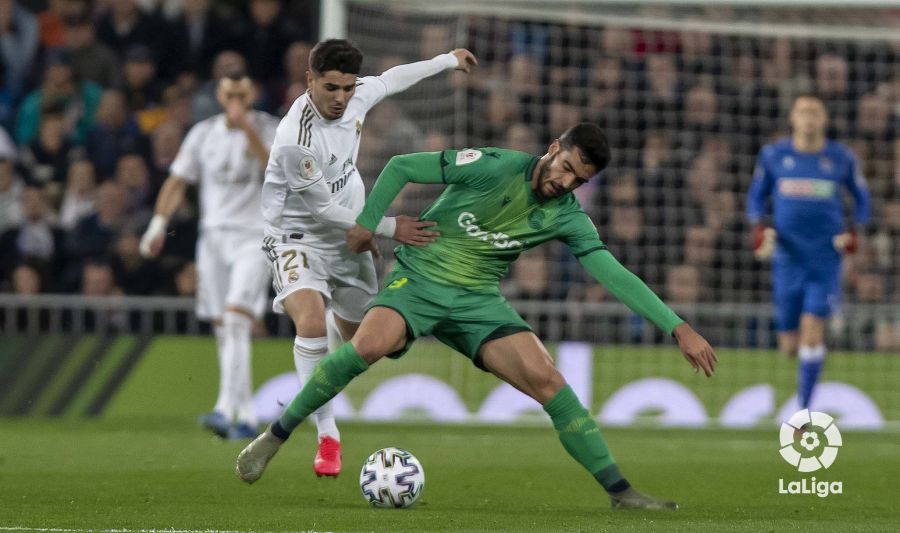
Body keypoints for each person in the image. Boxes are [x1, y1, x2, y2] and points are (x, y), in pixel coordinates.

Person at [238, 123, 718, 510]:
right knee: (366, 346)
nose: (565, 183)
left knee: (548, 380)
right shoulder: (493, 165)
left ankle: (621, 492)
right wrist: (369, 225)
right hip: (420, 281)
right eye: (566, 168)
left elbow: (613, 274)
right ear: (553, 149)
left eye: (579, 181)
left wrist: (678, 327)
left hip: (478, 303)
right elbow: (402, 165)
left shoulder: (568, 215)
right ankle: (276, 436)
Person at [258, 38, 477, 478]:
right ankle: (327, 434)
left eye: (348, 88)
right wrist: (389, 226)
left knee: (370, 345)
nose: (341, 98)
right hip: (296, 237)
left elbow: (393, 80)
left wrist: (445, 61)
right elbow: (321, 210)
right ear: (310, 81)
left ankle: (381, 338)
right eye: (331, 88)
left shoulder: (357, 95)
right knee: (311, 324)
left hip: (350, 240)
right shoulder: (293, 139)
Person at [139, 73, 280, 440]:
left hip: (253, 236)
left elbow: (276, 173)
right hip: (213, 239)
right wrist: (158, 225)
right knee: (223, 329)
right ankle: (246, 415)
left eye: (241, 92)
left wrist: (246, 128)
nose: (235, 99)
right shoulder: (203, 133)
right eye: (229, 93)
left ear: (253, 93)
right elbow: (177, 181)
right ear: (218, 94)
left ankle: (223, 409)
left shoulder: (269, 127)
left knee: (236, 321)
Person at [747, 93, 870, 411]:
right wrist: (759, 229)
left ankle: (804, 411)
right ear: (792, 118)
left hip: (825, 258)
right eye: (803, 111)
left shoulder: (841, 158)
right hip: (787, 259)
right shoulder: (774, 155)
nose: (809, 117)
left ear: (824, 119)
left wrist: (854, 231)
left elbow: (862, 198)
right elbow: (756, 198)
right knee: (789, 344)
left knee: (812, 332)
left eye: (815, 111)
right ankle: (806, 366)